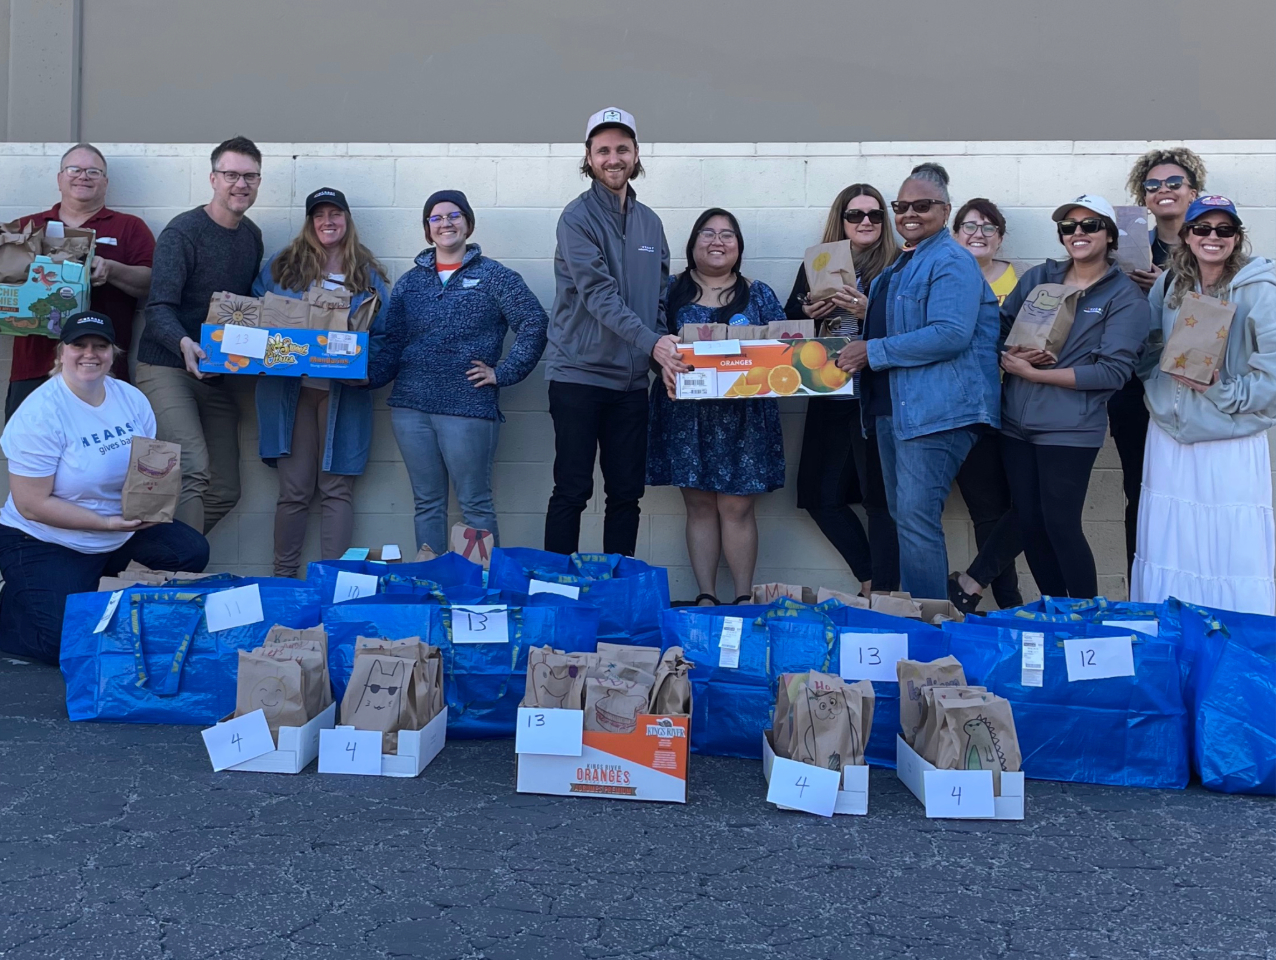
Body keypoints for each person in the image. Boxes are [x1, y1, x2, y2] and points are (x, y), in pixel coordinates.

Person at [0, 311, 209, 665]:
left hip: (117, 531)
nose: (90, 354)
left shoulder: (130, 398)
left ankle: (86, 594)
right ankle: (16, 607)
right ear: (60, 352)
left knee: (189, 551)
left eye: (100, 346)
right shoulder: (39, 413)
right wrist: (107, 524)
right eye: (78, 345)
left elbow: (146, 466)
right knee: (60, 645)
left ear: (114, 352)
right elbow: (31, 504)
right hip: (46, 539)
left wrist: (152, 500)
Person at [837, 163, 1000, 600]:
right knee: (905, 518)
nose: (909, 213)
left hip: (936, 413)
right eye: (902, 206)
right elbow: (904, 323)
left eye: (922, 205)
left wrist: (870, 351)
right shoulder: (903, 264)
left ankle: (931, 630)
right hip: (895, 412)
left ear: (944, 210)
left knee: (915, 520)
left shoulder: (950, 260)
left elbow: (950, 333)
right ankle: (918, 620)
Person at [368, 190, 547, 557]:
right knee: (427, 503)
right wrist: (356, 375)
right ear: (427, 229)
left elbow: (535, 322)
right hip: (411, 408)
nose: (445, 223)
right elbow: (393, 343)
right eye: (436, 218)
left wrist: (504, 372)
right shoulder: (410, 282)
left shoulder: (495, 276)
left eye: (454, 216)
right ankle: (433, 584)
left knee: (475, 503)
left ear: (468, 223)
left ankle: (479, 591)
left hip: (467, 407)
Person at [542, 108, 688, 556]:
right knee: (572, 491)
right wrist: (655, 345)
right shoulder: (576, 218)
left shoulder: (651, 223)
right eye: (603, 149)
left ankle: (617, 593)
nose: (613, 158)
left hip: (630, 385)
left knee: (626, 495)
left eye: (622, 148)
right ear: (588, 157)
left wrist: (658, 358)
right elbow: (598, 296)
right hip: (577, 377)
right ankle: (556, 594)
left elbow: (658, 301)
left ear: (636, 154)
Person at [998, 195, 1149, 599]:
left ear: (1109, 235)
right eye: (1069, 226)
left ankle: (1085, 619)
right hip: (1014, 422)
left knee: (1061, 524)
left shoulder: (1125, 298)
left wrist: (1036, 374)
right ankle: (1054, 611)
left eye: (1090, 225)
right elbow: (999, 328)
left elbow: (1113, 372)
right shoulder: (1038, 279)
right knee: (1029, 524)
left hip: (1069, 428)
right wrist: (1010, 355)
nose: (1078, 233)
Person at [1133, 196, 1276, 614]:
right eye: (1202, 229)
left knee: (1230, 548)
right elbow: (1149, 344)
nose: (1212, 237)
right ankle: (1177, 645)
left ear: (1237, 237)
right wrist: (1159, 384)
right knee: (1171, 545)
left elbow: (1272, 378)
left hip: (1227, 437)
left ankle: (1236, 651)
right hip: (1170, 436)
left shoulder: (1260, 289)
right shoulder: (1170, 284)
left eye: (1224, 230)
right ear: (1187, 235)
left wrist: (1219, 391)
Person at [648, 209, 786, 605]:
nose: (717, 241)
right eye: (707, 233)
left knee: (737, 507)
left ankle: (743, 598)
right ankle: (706, 596)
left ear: (739, 246)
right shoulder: (668, 291)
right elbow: (647, 344)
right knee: (699, 506)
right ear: (692, 245)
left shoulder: (758, 293)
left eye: (727, 235)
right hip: (685, 415)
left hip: (744, 418)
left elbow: (784, 352)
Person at [252, 188, 391, 576]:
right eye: (319, 215)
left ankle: (335, 580)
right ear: (310, 223)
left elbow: (385, 336)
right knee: (294, 491)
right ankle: (283, 578)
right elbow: (254, 314)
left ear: (347, 219)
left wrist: (368, 372)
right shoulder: (282, 266)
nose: (327, 222)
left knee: (336, 489)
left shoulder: (367, 273)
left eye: (335, 214)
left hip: (344, 394)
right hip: (290, 392)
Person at [134, 136, 264, 535]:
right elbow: (158, 308)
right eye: (231, 175)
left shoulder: (252, 237)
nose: (240, 184)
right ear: (213, 178)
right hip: (166, 366)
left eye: (250, 176)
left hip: (218, 374)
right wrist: (183, 343)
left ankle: (157, 554)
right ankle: (180, 577)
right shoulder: (183, 232)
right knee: (190, 471)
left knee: (224, 489)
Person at [784, 183, 899, 595]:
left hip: (877, 394)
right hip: (830, 390)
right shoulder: (819, 262)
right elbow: (789, 327)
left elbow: (916, 329)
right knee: (818, 494)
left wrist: (870, 311)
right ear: (841, 219)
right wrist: (806, 313)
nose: (865, 221)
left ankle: (885, 594)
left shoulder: (898, 264)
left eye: (874, 214)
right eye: (855, 215)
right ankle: (871, 579)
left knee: (880, 501)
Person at [1109, 147, 1208, 576]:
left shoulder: (1213, 243)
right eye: (1153, 185)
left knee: (1193, 493)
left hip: (1192, 389)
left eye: (1173, 183)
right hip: (1135, 385)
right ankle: (1143, 592)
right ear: (1143, 196)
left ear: (1193, 191)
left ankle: (1195, 588)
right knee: (1141, 490)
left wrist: (1170, 288)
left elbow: (1223, 318)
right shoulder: (1128, 248)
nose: (1163, 191)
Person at [5, 144, 155, 421]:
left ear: (105, 182)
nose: (83, 176)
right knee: (31, 458)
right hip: (35, 369)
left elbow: (151, 282)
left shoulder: (129, 228)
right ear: (60, 178)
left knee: (106, 459)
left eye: (93, 171)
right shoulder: (26, 229)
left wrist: (111, 269)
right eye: (74, 169)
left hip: (102, 370)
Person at [947, 198, 1022, 612]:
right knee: (988, 513)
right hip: (967, 412)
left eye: (988, 227)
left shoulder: (1023, 282)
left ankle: (971, 585)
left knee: (1031, 505)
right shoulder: (944, 280)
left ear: (1001, 237)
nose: (978, 234)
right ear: (955, 234)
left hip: (1019, 408)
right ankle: (1008, 604)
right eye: (969, 226)